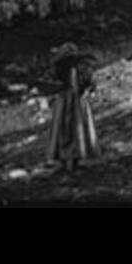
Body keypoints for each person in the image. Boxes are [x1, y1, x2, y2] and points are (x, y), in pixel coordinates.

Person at [46, 45, 96, 174]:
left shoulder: (59, 66)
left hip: (64, 100)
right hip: (75, 101)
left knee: (64, 129)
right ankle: (74, 159)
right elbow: (86, 83)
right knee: (75, 128)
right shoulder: (80, 66)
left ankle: (65, 160)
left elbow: (53, 83)